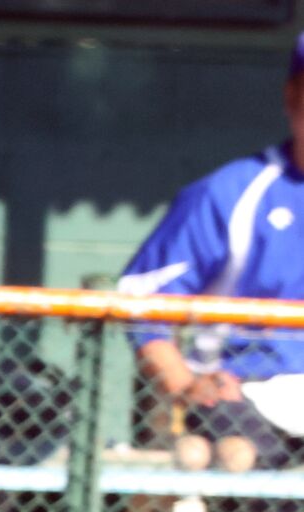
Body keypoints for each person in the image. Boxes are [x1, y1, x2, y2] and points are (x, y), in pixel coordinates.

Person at [117, 32, 304, 476]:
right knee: (240, 451)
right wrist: (185, 384)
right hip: (246, 392)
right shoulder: (234, 192)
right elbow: (140, 300)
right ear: (292, 97)